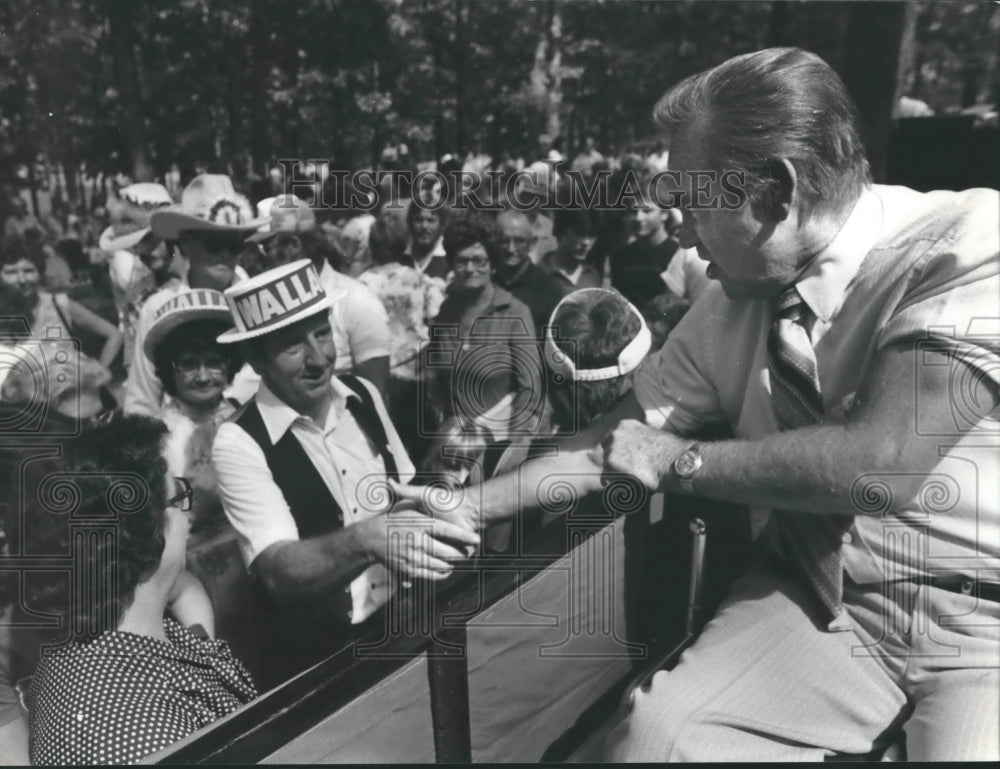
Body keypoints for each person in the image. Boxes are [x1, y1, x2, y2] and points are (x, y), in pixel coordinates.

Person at [396, 47, 1000, 761]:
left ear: (774, 193)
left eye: (689, 201)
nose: (678, 229)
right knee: (660, 739)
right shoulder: (729, 301)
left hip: (980, 624)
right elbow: (612, 441)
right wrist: (465, 506)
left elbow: (882, 466)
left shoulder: (966, 243)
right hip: (819, 597)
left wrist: (680, 461)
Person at [212, 259, 479, 688]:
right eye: (293, 345)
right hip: (321, 663)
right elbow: (279, 571)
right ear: (254, 358)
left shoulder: (363, 394)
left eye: (322, 333)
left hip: (404, 624)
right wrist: (366, 538)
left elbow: (407, 494)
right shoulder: (239, 441)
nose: (318, 358)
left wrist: (444, 468)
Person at [18, 415, 256, 764]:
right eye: (180, 497)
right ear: (147, 531)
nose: (188, 517)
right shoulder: (146, 736)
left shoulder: (87, 645)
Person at [123, 174, 262, 416]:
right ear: (186, 243)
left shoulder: (262, 299)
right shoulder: (159, 307)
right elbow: (142, 404)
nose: (225, 255)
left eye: (235, 245)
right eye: (214, 244)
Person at [247, 194, 392, 398]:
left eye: (265, 248)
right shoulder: (266, 303)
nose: (259, 259)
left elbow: (375, 397)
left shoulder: (357, 301)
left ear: (293, 246)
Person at [425, 213, 545, 443]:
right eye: (462, 260)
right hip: (455, 445)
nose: (470, 269)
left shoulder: (515, 313)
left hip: (499, 442)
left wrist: (510, 450)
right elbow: (437, 383)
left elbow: (530, 390)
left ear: (493, 265)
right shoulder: (447, 311)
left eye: (479, 260)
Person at [145, 287, 243, 541]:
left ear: (229, 364)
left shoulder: (246, 417)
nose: (202, 377)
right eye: (188, 365)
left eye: (213, 363)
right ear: (170, 369)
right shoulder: (159, 437)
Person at [358, 211, 446, 462]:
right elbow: (437, 318)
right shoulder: (420, 281)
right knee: (417, 447)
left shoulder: (362, 284)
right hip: (415, 377)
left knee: (384, 447)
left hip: (377, 375)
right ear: (404, 243)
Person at [0, 234, 122, 370]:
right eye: (11, 273)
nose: (22, 280)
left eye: (29, 271)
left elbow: (114, 334)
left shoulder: (58, 304)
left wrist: (98, 374)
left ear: (39, 272)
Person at [101, 182, 180, 370]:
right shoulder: (134, 272)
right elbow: (130, 325)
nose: (144, 251)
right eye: (135, 245)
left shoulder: (190, 274)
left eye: (150, 240)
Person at [610, 182, 708, 307]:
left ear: (664, 214)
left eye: (647, 211)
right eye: (633, 212)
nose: (638, 218)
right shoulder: (620, 256)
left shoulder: (680, 254)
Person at [492, 210, 567, 336]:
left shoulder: (549, 289)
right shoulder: (486, 283)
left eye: (519, 241)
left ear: (532, 243)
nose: (511, 249)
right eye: (504, 241)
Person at [541, 207, 604, 292]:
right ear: (562, 232)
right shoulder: (538, 273)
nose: (586, 242)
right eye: (580, 233)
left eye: (591, 235)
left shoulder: (593, 276)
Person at [401, 202, 450, 281]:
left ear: (442, 224)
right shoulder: (399, 254)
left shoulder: (449, 256)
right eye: (419, 220)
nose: (424, 226)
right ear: (409, 222)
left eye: (431, 220)